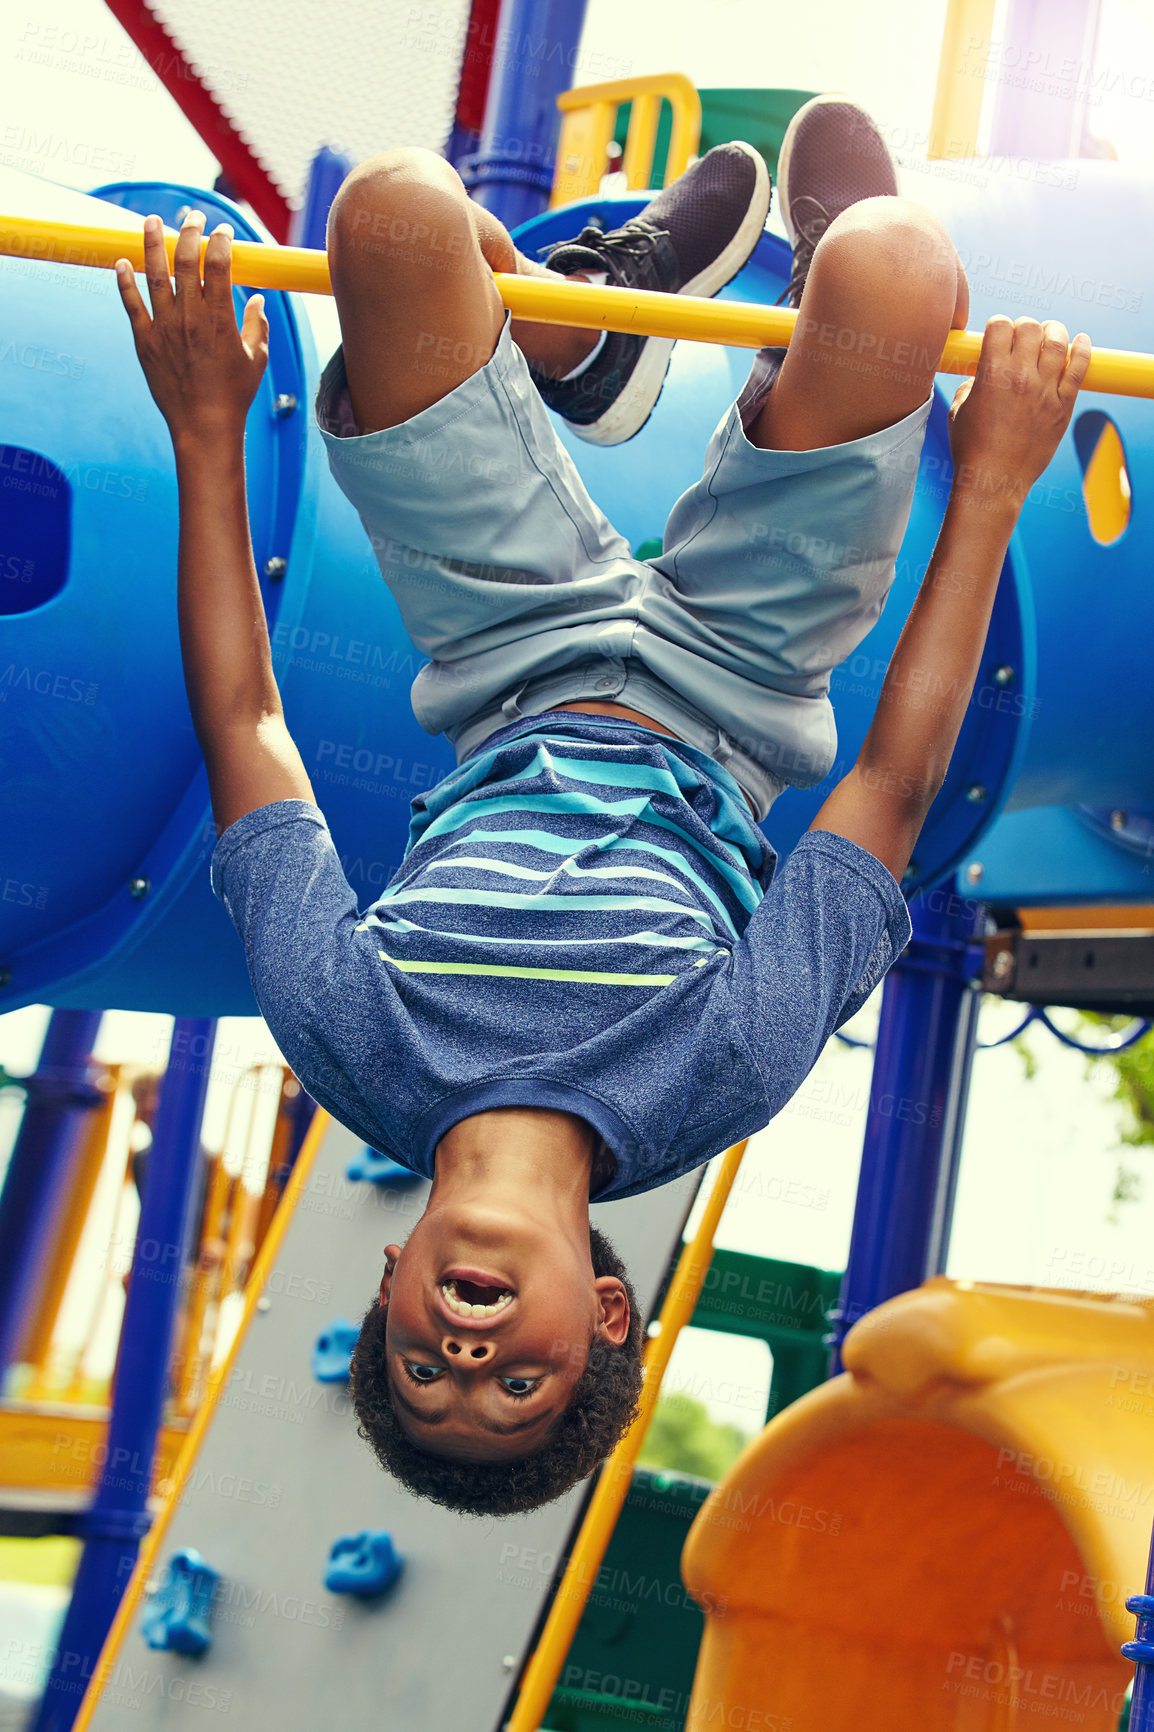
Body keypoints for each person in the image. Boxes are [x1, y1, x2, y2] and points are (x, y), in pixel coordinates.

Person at [114, 96, 1089, 1516]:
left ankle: (582, 325)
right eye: (516, 1385)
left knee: (389, 213)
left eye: (423, 1367)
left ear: (389, 1282)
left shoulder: (351, 1040)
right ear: (605, 1317)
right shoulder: (718, 1074)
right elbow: (886, 788)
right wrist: (988, 483)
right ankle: (783, 282)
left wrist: (209, 433)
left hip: (508, 642)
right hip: (737, 670)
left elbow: (249, 730)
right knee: (889, 269)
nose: (464, 1350)